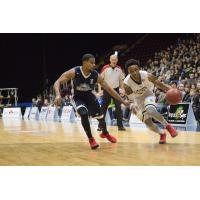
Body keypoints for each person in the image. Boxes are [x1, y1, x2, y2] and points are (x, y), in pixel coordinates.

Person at [54, 54, 129, 149]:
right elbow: (57, 82)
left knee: (101, 118)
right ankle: (91, 139)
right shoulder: (74, 72)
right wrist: (57, 95)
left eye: (94, 63)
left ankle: (105, 133)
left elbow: (109, 89)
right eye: (91, 62)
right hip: (78, 98)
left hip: (90, 97)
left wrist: (122, 101)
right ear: (84, 63)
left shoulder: (95, 75)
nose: (94, 65)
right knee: (84, 113)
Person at [123, 59, 178, 144]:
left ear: (139, 69)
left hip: (148, 95)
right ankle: (162, 133)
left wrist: (172, 90)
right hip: (137, 100)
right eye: (131, 71)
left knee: (151, 110)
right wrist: (132, 105)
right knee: (148, 124)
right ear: (128, 72)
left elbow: (160, 85)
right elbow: (130, 99)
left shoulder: (147, 75)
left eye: (135, 70)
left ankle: (168, 126)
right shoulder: (126, 83)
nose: (134, 73)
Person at [98, 53, 126, 131]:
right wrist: (100, 90)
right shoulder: (105, 68)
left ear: (117, 60)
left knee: (118, 107)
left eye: (115, 59)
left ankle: (120, 126)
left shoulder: (119, 69)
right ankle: (100, 126)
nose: (114, 61)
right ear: (110, 60)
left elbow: (121, 80)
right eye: (112, 59)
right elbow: (99, 80)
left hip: (116, 90)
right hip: (107, 90)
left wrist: (122, 89)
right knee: (103, 108)